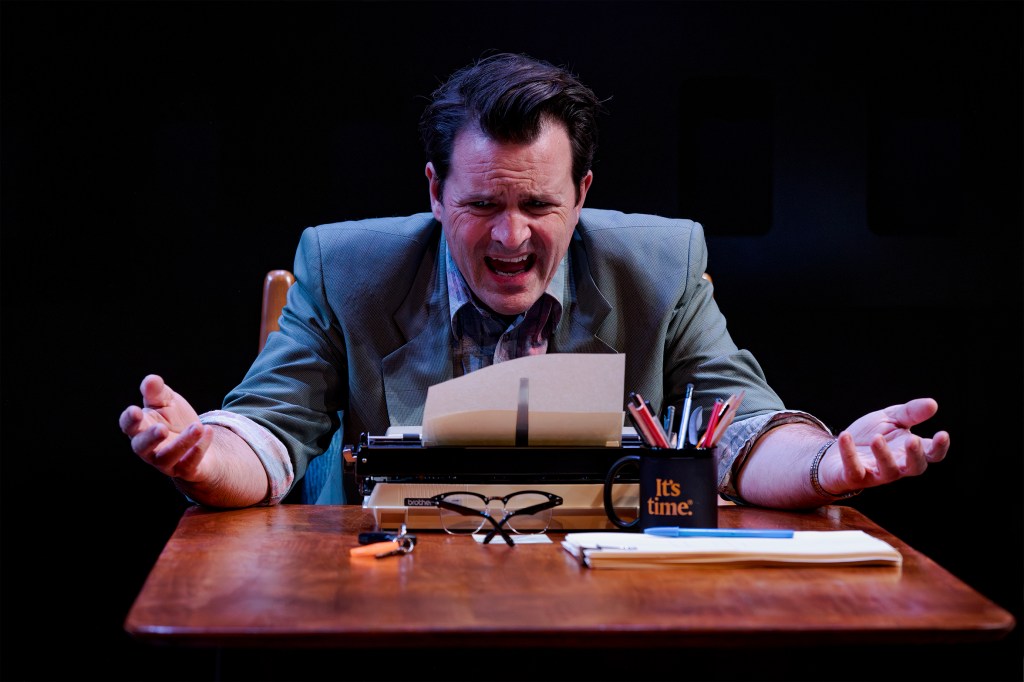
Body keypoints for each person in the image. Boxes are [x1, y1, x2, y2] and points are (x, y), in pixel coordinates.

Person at [119, 52, 949, 511]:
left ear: (582, 195)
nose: (511, 237)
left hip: (602, 608)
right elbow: (266, 432)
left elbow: (740, 432)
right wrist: (203, 456)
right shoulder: (346, 269)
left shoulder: (661, 265)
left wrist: (825, 466)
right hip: (390, 598)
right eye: (482, 204)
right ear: (435, 192)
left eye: (540, 205)